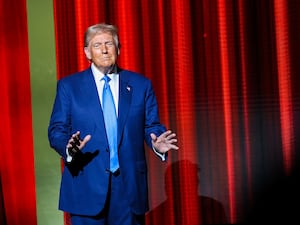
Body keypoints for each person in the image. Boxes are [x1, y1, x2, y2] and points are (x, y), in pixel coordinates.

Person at [48, 23, 179, 225]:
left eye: (109, 43)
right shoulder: (69, 86)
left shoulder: (140, 85)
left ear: (118, 49)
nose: (104, 49)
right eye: (97, 44)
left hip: (128, 188)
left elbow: (151, 125)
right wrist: (68, 147)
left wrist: (156, 143)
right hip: (86, 184)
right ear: (87, 52)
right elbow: (57, 129)